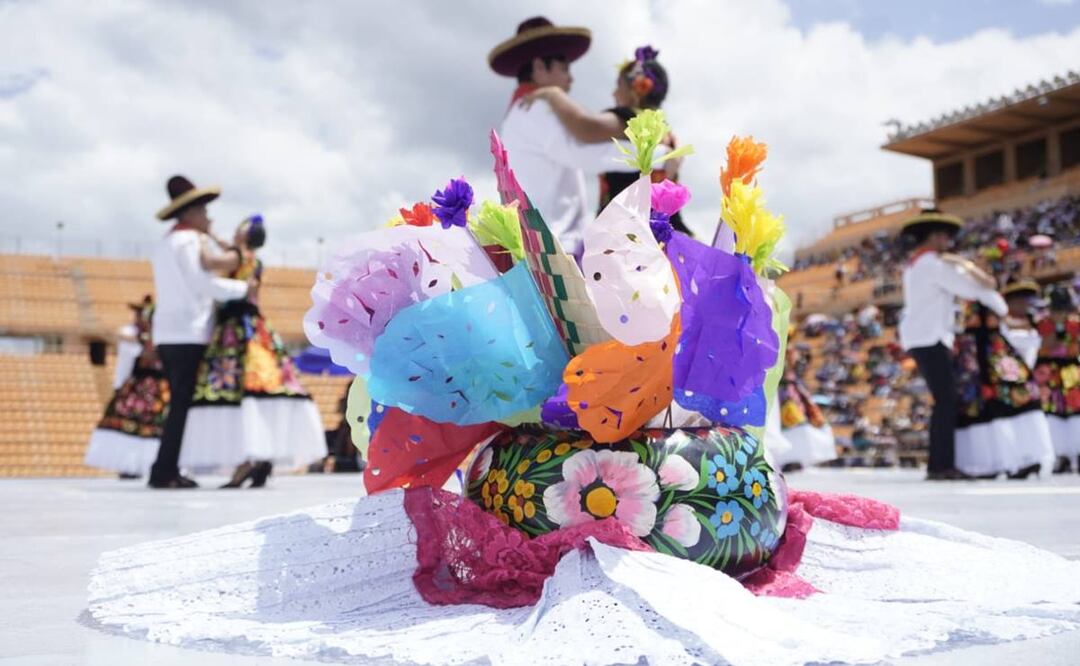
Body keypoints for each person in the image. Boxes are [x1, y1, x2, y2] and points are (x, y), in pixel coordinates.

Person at [179, 214, 326, 488]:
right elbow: (227, 247)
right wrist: (211, 234)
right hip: (255, 327)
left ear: (245, 235)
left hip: (234, 328)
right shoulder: (253, 259)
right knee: (264, 388)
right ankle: (261, 459)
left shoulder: (236, 256)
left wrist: (198, 239)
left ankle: (247, 460)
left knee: (238, 391)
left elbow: (209, 262)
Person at [491, 16, 639, 258]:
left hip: (540, 243)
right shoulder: (536, 108)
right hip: (555, 246)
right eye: (563, 69)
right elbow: (582, 154)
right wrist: (657, 155)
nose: (570, 79)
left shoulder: (516, 114)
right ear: (539, 67)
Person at [149, 175, 251, 489]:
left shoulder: (165, 243)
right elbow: (201, 284)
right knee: (181, 404)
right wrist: (244, 288)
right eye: (204, 212)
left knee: (178, 403)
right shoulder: (190, 241)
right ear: (191, 213)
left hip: (166, 332)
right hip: (188, 331)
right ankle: (164, 472)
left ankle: (166, 468)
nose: (208, 218)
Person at [521, 45, 689, 235]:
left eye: (619, 85)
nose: (614, 93)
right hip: (663, 233)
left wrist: (553, 94)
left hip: (627, 236)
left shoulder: (633, 123)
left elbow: (585, 127)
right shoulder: (665, 134)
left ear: (637, 90)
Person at [897, 210, 1008, 480]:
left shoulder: (917, 264)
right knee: (946, 400)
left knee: (944, 400)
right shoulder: (932, 264)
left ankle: (940, 463)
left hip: (923, 336)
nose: (948, 240)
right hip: (929, 337)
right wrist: (997, 301)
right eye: (944, 235)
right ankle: (941, 466)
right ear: (933, 237)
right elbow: (969, 289)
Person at [951, 283, 1054, 480]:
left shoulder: (987, 296)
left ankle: (1023, 458)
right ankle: (990, 464)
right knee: (981, 410)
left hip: (992, 353)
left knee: (1016, 402)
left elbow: (1003, 316)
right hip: (975, 355)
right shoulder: (960, 297)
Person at [83, 297, 168, 478]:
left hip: (145, 390)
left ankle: (138, 466)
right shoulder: (155, 336)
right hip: (151, 390)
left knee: (145, 430)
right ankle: (134, 465)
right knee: (138, 429)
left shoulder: (141, 336)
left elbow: (125, 364)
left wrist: (120, 385)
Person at [1034, 284, 1080, 473]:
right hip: (1049, 373)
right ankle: (1060, 455)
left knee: (1076, 413)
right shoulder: (1042, 324)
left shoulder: (1076, 323)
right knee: (1052, 414)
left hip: (1071, 372)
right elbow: (1045, 345)